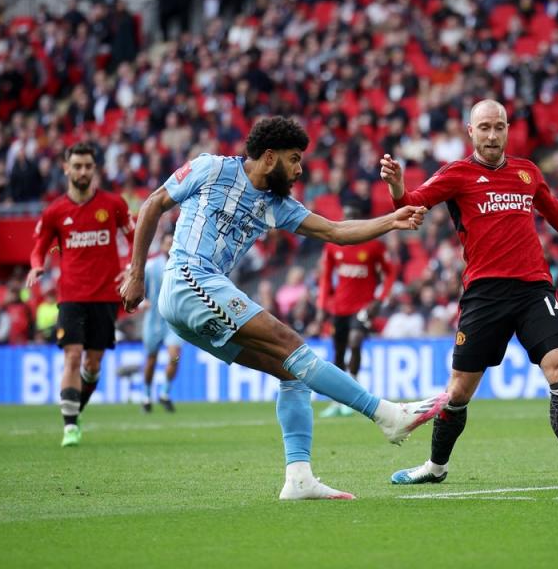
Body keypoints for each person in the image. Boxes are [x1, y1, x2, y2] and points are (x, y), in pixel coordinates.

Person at [119, 116, 447, 500]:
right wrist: (136, 272)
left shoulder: (278, 205)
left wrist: (391, 220)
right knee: (289, 341)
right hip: (187, 280)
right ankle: (387, 415)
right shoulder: (210, 168)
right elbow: (153, 203)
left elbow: (336, 232)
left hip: (199, 301)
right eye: (294, 159)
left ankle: (299, 478)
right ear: (269, 156)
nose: (299, 169)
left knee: (291, 373)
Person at [380, 99, 558, 486]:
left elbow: (552, 208)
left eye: (499, 127)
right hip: (484, 295)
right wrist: (396, 186)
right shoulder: (456, 174)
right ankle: (435, 467)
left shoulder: (526, 172)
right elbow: (411, 205)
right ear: (470, 132)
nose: (492, 134)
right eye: (484, 127)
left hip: (533, 288)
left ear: (507, 130)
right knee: (459, 391)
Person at [26, 142, 135, 447]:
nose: (83, 171)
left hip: (105, 296)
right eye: (77, 166)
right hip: (71, 295)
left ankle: (76, 409)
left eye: (88, 166)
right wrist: (36, 266)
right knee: (72, 356)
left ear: (95, 169)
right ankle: (70, 426)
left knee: (93, 364)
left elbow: (134, 237)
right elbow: (39, 247)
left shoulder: (114, 205)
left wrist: (130, 268)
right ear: (66, 168)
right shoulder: (54, 212)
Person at [316, 202, 398, 418]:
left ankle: (352, 394)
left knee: (355, 341)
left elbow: (390, 273)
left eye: (352, 217)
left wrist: (379, 299)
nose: (348, 221)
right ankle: (337, 400)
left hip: (363, 307)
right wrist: (323, 305)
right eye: (346, 217)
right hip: (339, 307)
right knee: (339, 352)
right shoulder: (333, 245)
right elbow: (325, 278)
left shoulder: (374, 246)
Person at [141, 232, 181, 413]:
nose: (170, 246)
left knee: (175, 356)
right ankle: (147, 395)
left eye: (173, 243)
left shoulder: (182, 266)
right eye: (167, 243)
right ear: (162, 245)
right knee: (151, 360)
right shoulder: (150, 266)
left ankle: (164, 393)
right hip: (153, 320)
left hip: (173, 321)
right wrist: (143, 302)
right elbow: (140, 289)